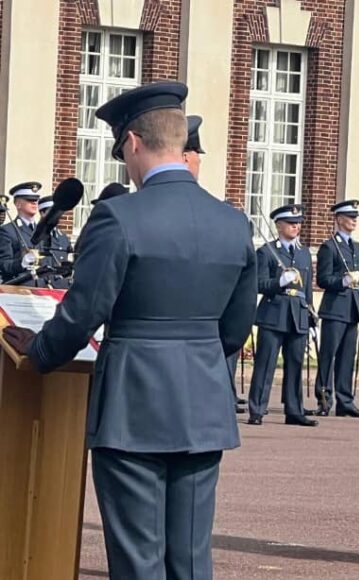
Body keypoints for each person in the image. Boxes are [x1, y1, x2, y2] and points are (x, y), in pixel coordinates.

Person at [2, 81, 257, 579]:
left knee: (139, 561)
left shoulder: (118, 217)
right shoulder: (233, 223)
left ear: (133, 143)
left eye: (123, 152)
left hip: (133, 407)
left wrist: (41, 352)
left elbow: (82, 312)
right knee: (189, 559)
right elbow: (235, 327)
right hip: (203, 406)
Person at [185, 114, 246, 415]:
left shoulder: (124, 217)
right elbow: (239, 322)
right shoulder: (233, 224)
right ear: (187, 157)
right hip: (208, 355)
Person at [247, 204, 318, 427]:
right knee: (266, 364)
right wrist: (279, 283)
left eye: (298, 223)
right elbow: (258, 284)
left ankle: (294, 410)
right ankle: (257, 408)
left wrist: (311, 316)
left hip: (297, 314)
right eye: (291, 223)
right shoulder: (267, 252)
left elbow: (306, 290)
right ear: (278, 225)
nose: (295, 227)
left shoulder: (304, 254)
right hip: (274, 313)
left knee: (296, 363)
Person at [313, 199, 359, 417]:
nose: (354, 220)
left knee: (348, 356)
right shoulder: (330, 247)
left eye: (355, 217)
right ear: (338, 219)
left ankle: (345, 400)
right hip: (335, 308)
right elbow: (323, 279)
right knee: (329, 354)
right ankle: (324, 397)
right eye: (350, 217)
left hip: (352, 308)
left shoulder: (357, 247)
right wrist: (343, 281)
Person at [0, 181, 46, 285]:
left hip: (41, 288)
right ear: (18, 204)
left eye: (36, 200)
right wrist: (22, 262)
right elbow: (3, 264)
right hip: (20, 287)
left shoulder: (42, 230)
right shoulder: (7, 230)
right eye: (30, 200)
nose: (34, 203)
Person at [33, 193, 73, 288]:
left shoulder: (63, 238)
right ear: (43, 213)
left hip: (60, 289)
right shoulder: (34, 235)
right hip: (39, 287)